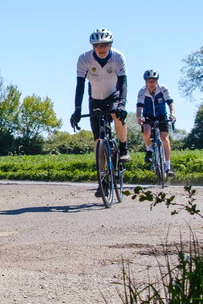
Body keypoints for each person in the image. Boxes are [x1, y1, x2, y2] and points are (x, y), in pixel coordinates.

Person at [71, 28, 129, 197]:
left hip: (114, 95)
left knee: (116, 115)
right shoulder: (84, 59)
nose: (101, 48)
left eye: (105, 44)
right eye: (97, 45)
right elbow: (80, 86)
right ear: (93, 46)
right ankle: (103, 179)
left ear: (111, 45)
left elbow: (124, 83)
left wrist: (122, 104)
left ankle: (124, 147)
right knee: (98, 141)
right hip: (95, 98)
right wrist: (77, 110)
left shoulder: (118, 57)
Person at [136, 69, 176, 176]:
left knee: (164, 140)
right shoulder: (142, 91)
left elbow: (170, 103)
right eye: (149, 81)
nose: (152, 83)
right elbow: (139, 107)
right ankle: (149, 149)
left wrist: (172, 114)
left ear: (157, 81)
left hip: (161, 116)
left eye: (153, 81)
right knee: (146, 131)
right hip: (148, 116)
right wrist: (139, 117)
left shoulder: (163, 89)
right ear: (146, 82)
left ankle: (168, 167)